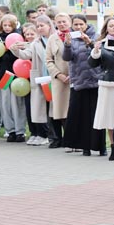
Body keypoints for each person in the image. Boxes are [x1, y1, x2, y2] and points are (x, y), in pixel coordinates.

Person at [62, 14, 106, 156]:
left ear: (86, 24)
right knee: (81, 116)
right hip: (79, 82)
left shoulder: (96, 37)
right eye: (76, 24)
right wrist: (67, 44)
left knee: (97, 116)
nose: (79, 27)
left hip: (95, 81)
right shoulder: (71, 38)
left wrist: (89, 42)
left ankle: (101, 147)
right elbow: (67, 57)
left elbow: (101, 55)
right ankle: (85, 147)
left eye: (81, 24)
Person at [10, 16, 55, 146]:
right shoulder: (36, 43)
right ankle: (42, 135)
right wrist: (15, 49)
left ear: (49, 25)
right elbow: (25, 55)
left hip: (55, 77)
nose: (40, 28)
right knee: (40, 108)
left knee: (55, 109)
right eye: (38, 26)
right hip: (41, 78)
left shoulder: (56, 39)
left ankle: (54, 137)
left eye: (42, 26)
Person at [89, 17, 114, 161]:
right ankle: (113, 147)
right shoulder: (102, 44)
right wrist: (95, 51)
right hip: (107, 85)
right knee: (108, 118)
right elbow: (92, 64)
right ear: (106, 28)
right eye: (111, 26)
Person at [0, 14, 26, 142]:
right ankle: (10, 130)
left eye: (10, 25)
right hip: (3, 75)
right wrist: (1, 49)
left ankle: (20, 131)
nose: (7, 28)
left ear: (14, 26)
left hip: (17, 74)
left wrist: (11, 49)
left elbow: (21, 56)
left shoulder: (19, 38)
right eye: (5, 25)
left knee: (17, 104)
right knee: (5, 103)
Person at [45, 13, 72, 148]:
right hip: (59, 80)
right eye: (59, 22)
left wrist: (73, 74)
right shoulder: (52, 39)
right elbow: (48, 60)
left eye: (64, 21)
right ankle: (61, 139)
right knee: (61, 111)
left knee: (73, 111)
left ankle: (73, 140)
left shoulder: (75, 36)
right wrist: (58, 74)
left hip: (74, 79)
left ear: (70, 22)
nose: (62, 24)